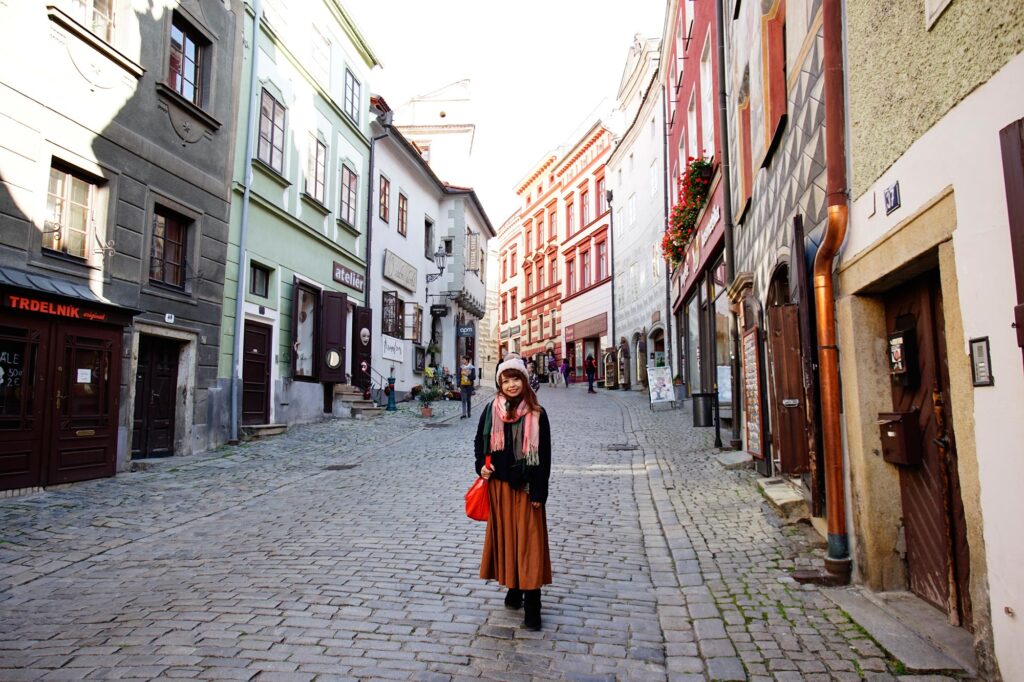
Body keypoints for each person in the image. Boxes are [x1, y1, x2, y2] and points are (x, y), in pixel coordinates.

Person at [475, 357, 552, 630]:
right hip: (500, 488)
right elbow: (479, 443)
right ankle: (514, 589)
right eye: (505, 380)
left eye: (515, 379)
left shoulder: (537, 413)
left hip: (527, 489)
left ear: (524, 381)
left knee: (529, 545)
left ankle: (533, 606)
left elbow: (544, 456)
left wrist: (539, 492)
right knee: (508, 541)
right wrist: (481, 467)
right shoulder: (491, 410)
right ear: (500, 383)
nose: (511, 385)